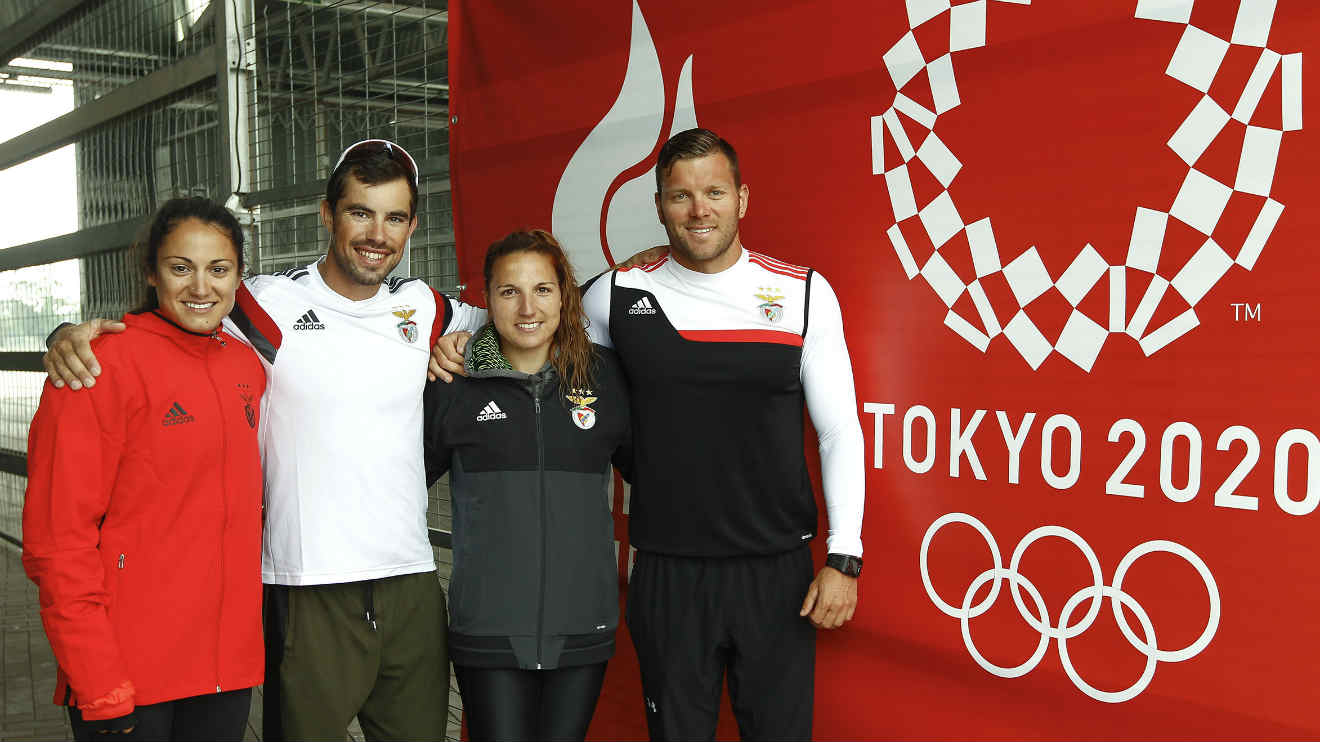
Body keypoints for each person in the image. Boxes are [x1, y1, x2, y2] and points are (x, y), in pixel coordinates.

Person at [41, 140, 488, 741]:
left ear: (411, 226)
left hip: (404, 575)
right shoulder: (262, 307)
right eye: (360, 212)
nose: (376, 233)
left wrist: (463, 346)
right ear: (327, 215)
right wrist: (66, 333)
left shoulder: (425, 308)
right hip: (303, 584)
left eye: (395, 217)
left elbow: (523, 321)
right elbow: (173, 320)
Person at [430, 128, 866, 740]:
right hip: (667, 572)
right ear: (659, 205)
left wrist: (844, 555)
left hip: (776, 573)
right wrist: (463, 345)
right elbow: (534, 323)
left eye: (714, 191)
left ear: (742, 199)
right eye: (680, 196)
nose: (699, 209)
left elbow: (839, 430)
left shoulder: (803, 294)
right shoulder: (618, 295)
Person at [23, 197, 266, 741]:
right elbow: (57, 543)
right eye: (181, 268)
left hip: (224, 671)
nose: (200, 287)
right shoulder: (96, 367)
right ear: (152, 273)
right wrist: (98, 680)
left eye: (218, 269)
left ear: (239, 277)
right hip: (129, 672)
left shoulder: (244, 364)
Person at [423, 229, 631, 741]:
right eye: (508, 291)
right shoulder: (454, 383)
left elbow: (657, 471)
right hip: (488, 629)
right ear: (488, 300)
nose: (526, 307)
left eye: (542, 289)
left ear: (564, 295)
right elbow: (401, 485)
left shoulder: (604, 378)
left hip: (583, 624)